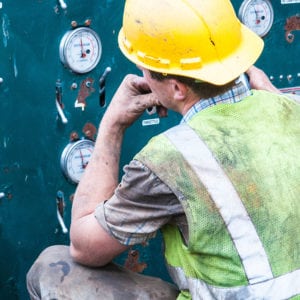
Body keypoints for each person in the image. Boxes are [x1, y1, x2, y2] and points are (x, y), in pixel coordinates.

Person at [27, 0, 300, 299]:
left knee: (53, 265)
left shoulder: (169, 160)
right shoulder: (290, 108)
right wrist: (280, 102)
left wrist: (112, 126)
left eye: (143, 68)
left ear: (177, 88)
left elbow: (84, 247)